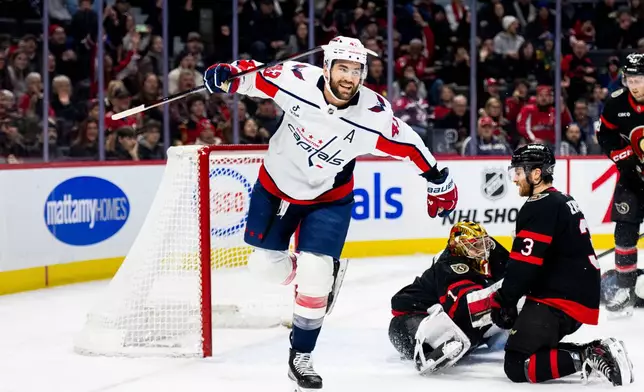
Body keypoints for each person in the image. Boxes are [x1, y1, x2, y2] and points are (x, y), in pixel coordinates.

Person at [202, 36, 459, 391]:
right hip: (275, 186)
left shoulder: (374, 115)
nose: (349, 77)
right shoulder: (296, 80)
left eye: (357, 70)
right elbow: (253, 79)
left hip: (329, 199)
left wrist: (437, 179)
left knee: (315, 273)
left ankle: (301, 356)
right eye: (343, 67)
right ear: (326, 66)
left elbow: (409, 144)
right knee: (263, 267)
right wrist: (227, 74)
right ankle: (315, 276)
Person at [489, 144, 633, 386]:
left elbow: (524, 266)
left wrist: (503, 299)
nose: (514, 179)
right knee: (534, 346)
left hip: (559, 299)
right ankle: (587, 352)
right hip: (574, 291)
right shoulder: (561, 199)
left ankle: (591, 353)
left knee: (516, 364)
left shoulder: (539, 206)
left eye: (518, 171)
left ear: (536, 174)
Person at [389, 221, 510, 375]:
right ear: (458, 247)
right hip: (410, 317)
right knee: (457, 327)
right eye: (475, 245)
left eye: (484, 243)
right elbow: (465, 307)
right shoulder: (450, 266)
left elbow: (515, 268)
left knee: (495, 317)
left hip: (449, 313)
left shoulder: (486, 251)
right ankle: (427, 354)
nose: (483, 250)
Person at [596, 53, 644, 316]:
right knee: (625, 232)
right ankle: (625, 288)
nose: (634, 84)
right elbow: (605, 134)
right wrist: (621, 156)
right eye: (630, 79)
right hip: (632, 179)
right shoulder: (616, 103)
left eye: (639, 79)